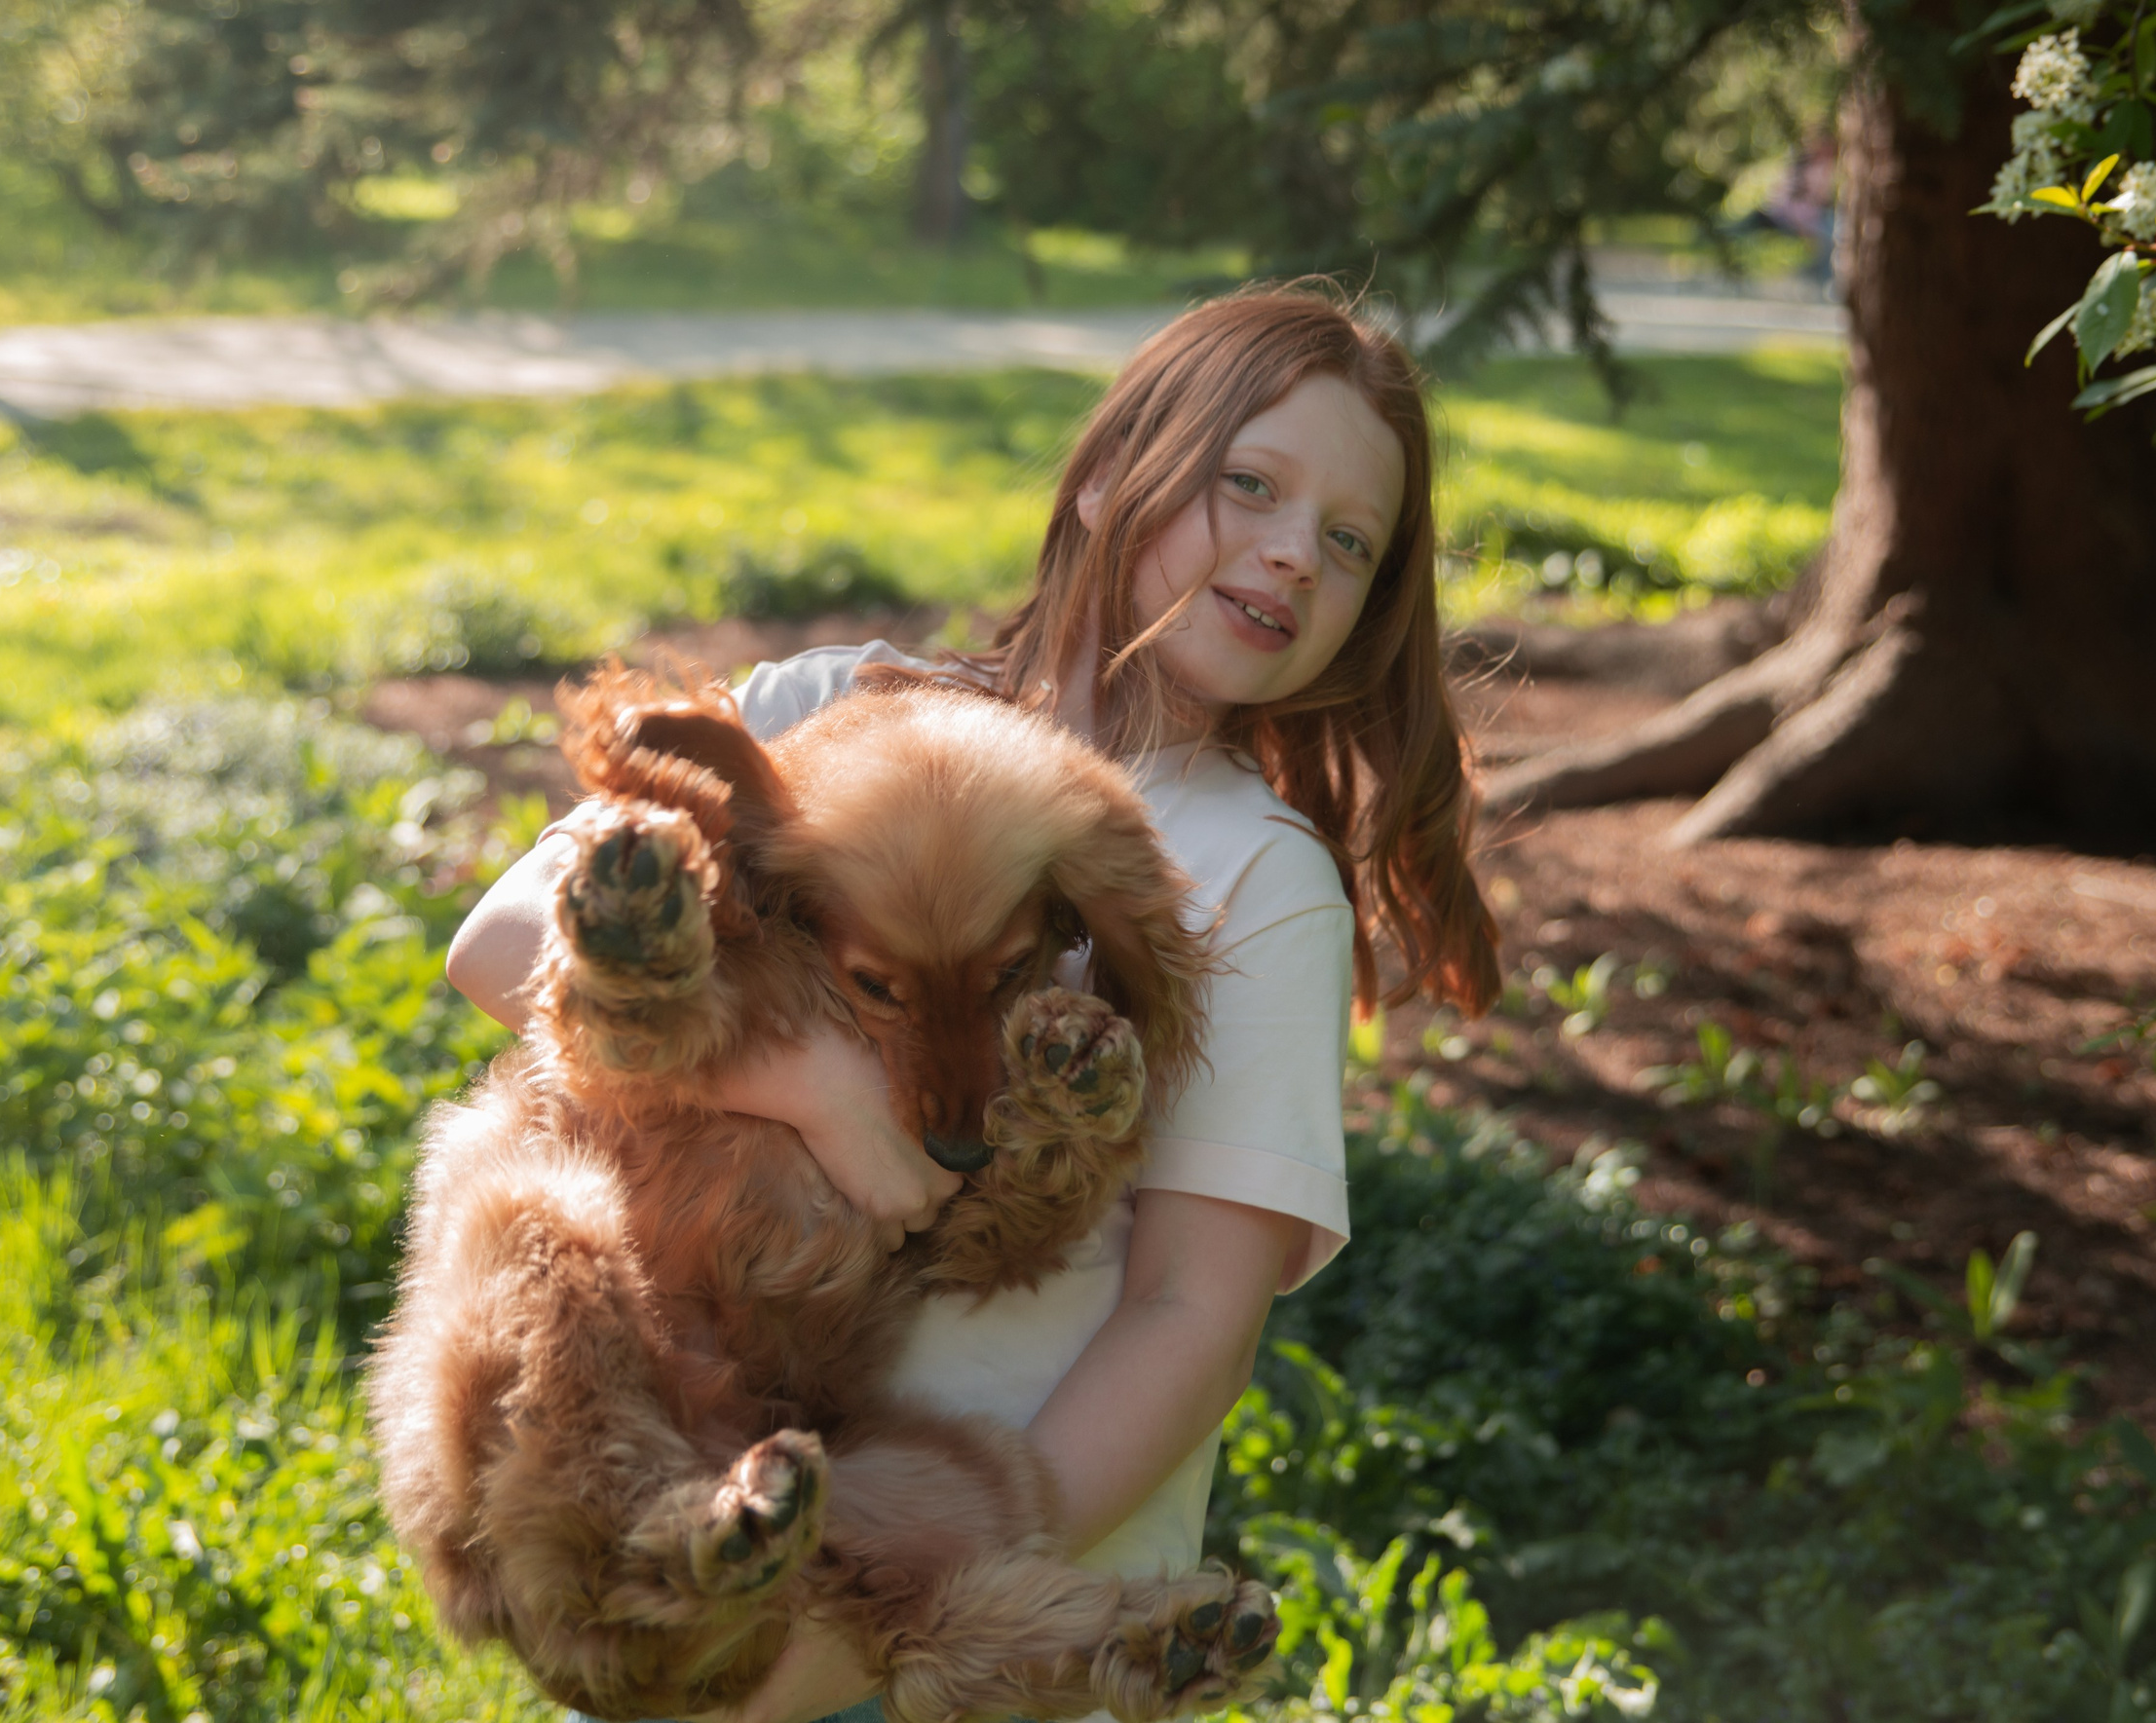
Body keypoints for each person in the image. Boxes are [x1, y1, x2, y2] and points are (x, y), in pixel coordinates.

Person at [441, 286, 1500, 1723]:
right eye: (1251, 484)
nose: (1288, 552)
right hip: (694, 1512)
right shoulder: (821, 707)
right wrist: (822, 1089)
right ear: (1116, 471)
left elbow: (1190, 1313)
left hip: (958, 1620)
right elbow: (502, 943)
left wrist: (880, 1620)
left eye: (1349, 542)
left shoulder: (1259, 875)